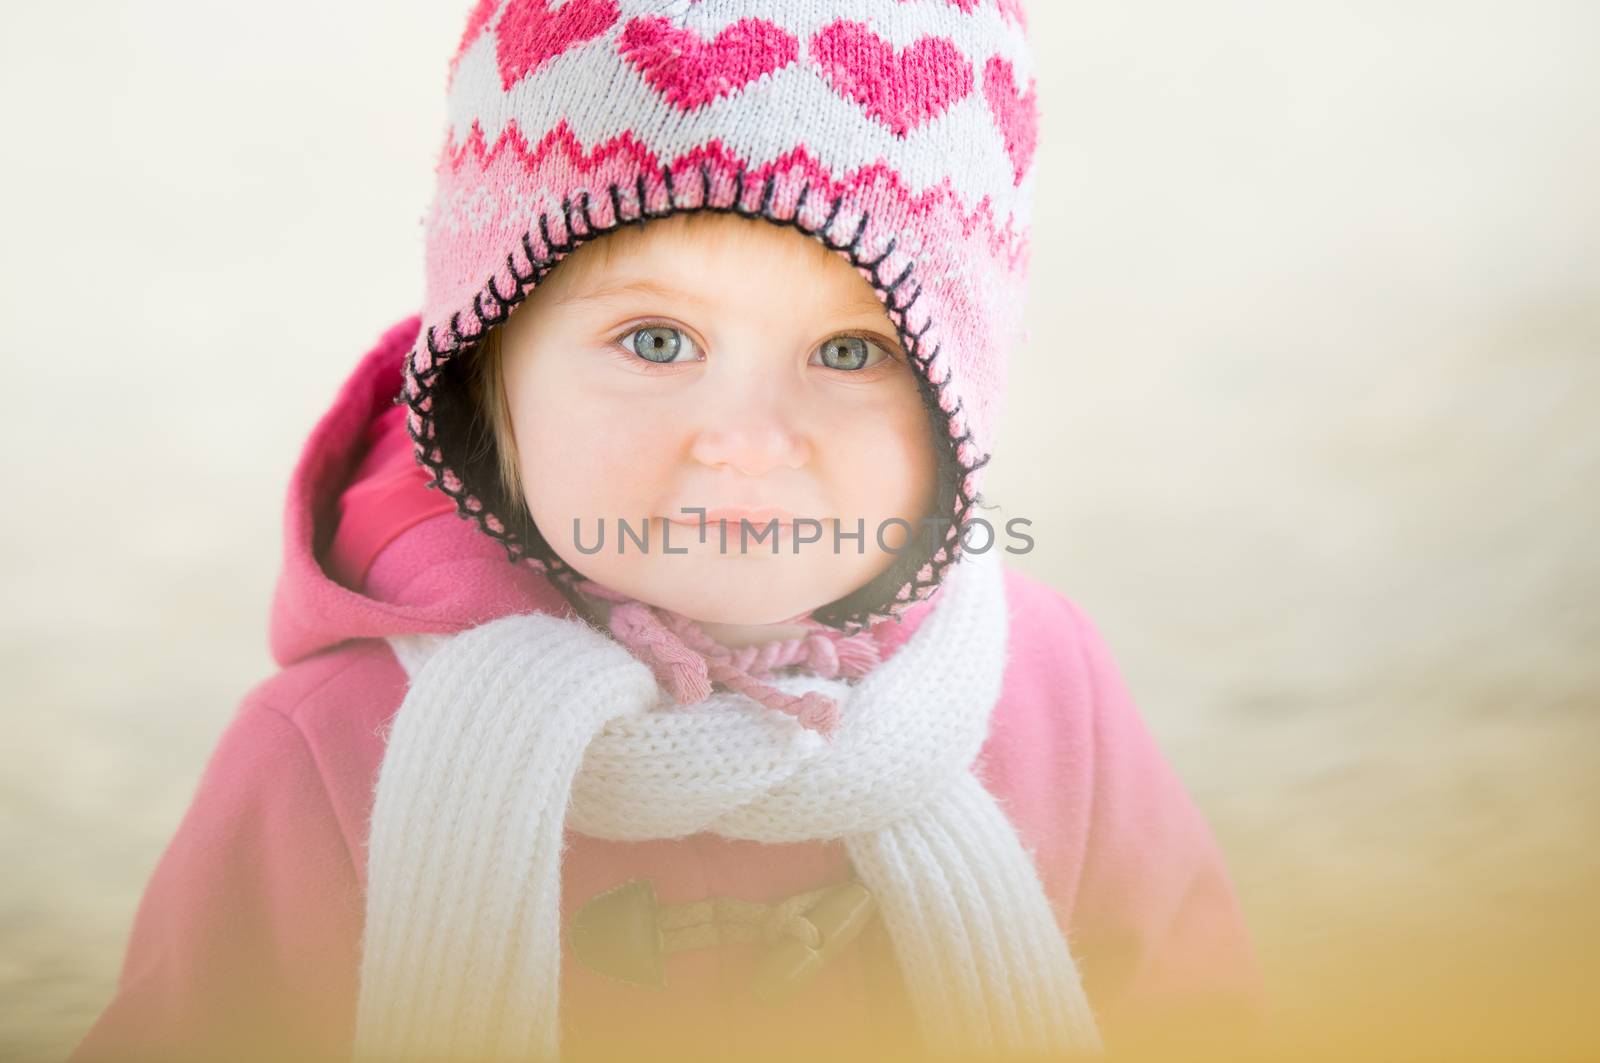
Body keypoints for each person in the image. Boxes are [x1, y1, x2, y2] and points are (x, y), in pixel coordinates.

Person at [71, 2, 1262, 1060]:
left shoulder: (1037, 685)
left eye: (850, 351)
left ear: (958, 403)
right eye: (655, 341)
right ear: (486, 374)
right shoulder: (337, 747)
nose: (744, 440)